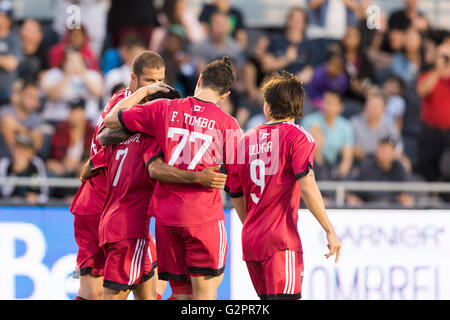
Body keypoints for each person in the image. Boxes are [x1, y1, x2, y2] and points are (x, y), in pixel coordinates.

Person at [104, 56, 243, 300]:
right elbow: (237, 181)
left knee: (180, 294)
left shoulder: (164, 109)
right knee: (205, 296)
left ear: (199, 80)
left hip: (167, 219)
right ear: (225, 94)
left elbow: (111, 119)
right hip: (204, 218)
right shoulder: (228, 124)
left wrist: (145, 90)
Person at [82, 87, 229, 300]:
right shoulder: (149, 139)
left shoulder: (115, 140)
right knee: (112, 296)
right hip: (130, 227)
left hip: (111, 223)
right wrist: (198, 177)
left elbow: (86, 170)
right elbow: (155, 169)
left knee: (151, 293)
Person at [224, 71, 341, 300]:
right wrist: (329, 229)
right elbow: (306, 184)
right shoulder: (299, 137)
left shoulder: (244, 140)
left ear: (267, 106)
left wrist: (252, 223)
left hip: (251, 241)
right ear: (298, 105)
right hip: (280, 242)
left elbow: (235, 193)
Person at [69, 51, 166, 301]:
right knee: (94, 292)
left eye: (160, 81)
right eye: (148, 81)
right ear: (133, 79)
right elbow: (104, 135)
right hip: (99, 206)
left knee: (154, 285)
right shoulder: (124, 101)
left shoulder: (139, 107)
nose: (155, 87)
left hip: (115, 208)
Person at [346, 136, 415, 208]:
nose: (384, 152)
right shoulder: (367, 165)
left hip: (392, 209)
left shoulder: (398, 167)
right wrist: (396, 198)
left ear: (393, 152)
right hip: (367, 207)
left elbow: (405, 187)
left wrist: (405, 197)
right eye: (382, 148)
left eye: (388, 149)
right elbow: (371, 194)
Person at [416, 41, 450, 183]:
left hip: (448, 133)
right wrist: (438, 70)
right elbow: (423, 91)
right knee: (427, 169)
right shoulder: (427, 75)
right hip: (430, 132)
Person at [302, 90, 354, 181]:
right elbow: (302, 150)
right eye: (326, 102)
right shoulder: (309, 121)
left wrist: (338, 176)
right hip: (309, 165)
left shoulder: (346, 126)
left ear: (340, 107)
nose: (327, 106)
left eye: (332, 103)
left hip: (332, 168)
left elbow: (347, 159)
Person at [0, 79, 43, 159]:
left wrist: (17, 127)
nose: (32, 99)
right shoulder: (6, 111)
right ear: (20, 94)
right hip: (4, 157)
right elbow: (10, 143)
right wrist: (30, 136)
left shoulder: (36, 117)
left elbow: (37, 145)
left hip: (26, 160)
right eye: (29, 95)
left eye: (35, 97)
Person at [0, 133, 48, 204]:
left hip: (31, 208)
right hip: (9, 207)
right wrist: (14, 172)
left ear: (31, 152)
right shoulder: (5, 163)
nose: (19, 152)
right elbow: (4, 194)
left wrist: (36, 198)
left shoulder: (37, 164)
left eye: (24, 149)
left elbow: (45, 194)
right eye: (17, 148)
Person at [0, 0, 22, 106]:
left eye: (1, 15)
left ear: (9, 19)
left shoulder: (14, 39)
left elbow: (11, 64)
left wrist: (4, 61)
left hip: (6, 94)